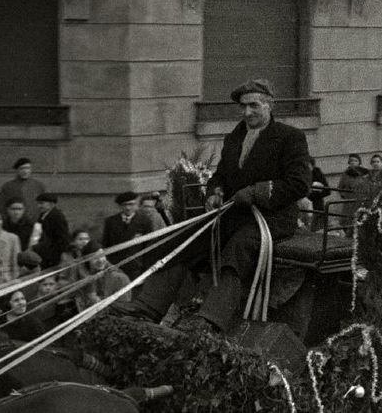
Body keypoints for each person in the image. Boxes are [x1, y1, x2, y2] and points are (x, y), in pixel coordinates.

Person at [113, 78, 311, 335]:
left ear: (269, 105)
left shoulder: (290, 138)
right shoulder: (234, 138)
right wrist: (214, 193)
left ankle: (210, 320)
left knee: (238, 248)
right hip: (234, 214)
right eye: (243, 106)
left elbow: (299, 184)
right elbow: (221, 176)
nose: (247, 112)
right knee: (185, 241)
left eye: (253, 106)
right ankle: (147, 306)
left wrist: (256, 192)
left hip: (272, 219)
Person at [103, 192, 155, 279]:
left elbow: (149, 245)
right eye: (124, 205)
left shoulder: (145, 221)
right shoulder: (111, 222)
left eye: (131, 204)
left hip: (137, 266)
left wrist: (146, 266)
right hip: (117, 266)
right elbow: (106, 244)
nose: (128, 208)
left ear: (136, 205)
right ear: (120, 206)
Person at [75, 241, 131, 311]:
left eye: (102, 256)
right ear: (86, 261)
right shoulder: (83, 277)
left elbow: (123, 307)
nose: (100, 260)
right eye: (95, 258)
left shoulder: (119, 278)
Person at [336, 154, 370, 234]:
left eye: (355, 161)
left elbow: (368, 186)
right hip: (349, 200)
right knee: (347, 219)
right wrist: (344, 195)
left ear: (359, 162)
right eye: (351, 161)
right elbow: (340, 187)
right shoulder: (346, 174)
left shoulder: (365, 174)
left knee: (360, 218)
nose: (353, 162)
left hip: (361, 199)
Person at [34, 193, 70, 269]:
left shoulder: (57, 217)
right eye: (38, 204)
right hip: (45, 250)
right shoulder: (43, 215)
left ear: (51, 204)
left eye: (42, 203)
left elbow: (63, 236)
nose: (39, 206)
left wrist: (63, 252)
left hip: (54, 252)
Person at [306, 157, 330, 232]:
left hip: (317, 205)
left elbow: (327, 190)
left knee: (317, 228)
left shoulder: (317, 173)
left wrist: (312, 194)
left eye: (308, 165)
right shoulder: (301, 174)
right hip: (305, 206)